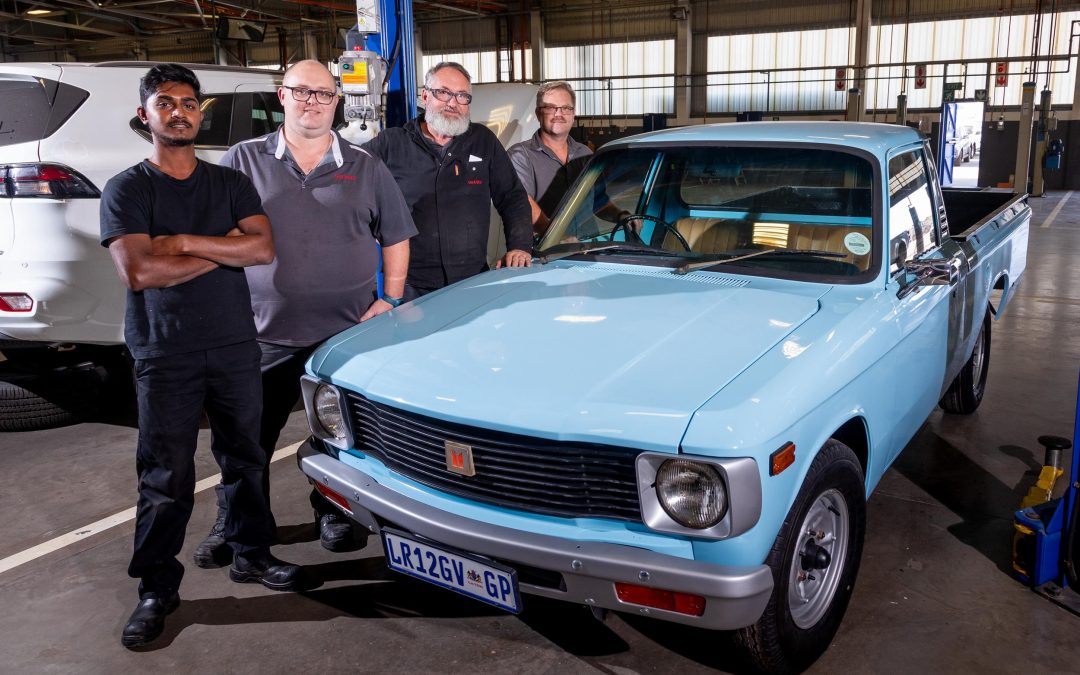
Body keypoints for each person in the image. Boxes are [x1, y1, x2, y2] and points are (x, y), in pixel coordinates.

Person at [100, 64, 303, 649]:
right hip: (166, 351)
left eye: (189, 103)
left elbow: (262, 248)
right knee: (166, 475)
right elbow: (139, 270)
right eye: (166, 103)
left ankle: (252, 553)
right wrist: (226, 250)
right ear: (146, 115)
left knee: (246, 457)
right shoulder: (129, 188)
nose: (180, 112)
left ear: (200, 112)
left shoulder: (229, 184)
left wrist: (185, 242)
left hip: (238, 344)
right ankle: (157, 588)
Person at [192, 60, 416, 559]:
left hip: (343, 336)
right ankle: (238, 523)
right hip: (261, 333)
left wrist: (391, 298)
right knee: (244, 441)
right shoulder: (242, 160)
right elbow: (212, 236)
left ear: (336, 102)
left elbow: (396, 236)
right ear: (282, 97)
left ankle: (333, 513)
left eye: (323, 94)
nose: (312, 102)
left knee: (340, 438)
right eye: (302, 92)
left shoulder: (365, 165)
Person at [363, 61, 533, 301]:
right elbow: (352, 186)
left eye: (462, 96)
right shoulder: (391, 144)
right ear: (425, 95)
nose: (453, 103)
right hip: (409, 287)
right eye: (443, 93)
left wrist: (519, 245)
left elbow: (512, 197)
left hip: (473, 279)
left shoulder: (483, 141)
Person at [507, 81, 593, 239]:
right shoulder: (520, 155)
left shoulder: (585, 153)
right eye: (550, 107)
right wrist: (556, 237)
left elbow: (599, 198)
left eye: (566, 108)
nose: (559, 114)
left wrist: (621, 214)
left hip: (587, 247)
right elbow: (522, 203)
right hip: (545, 254)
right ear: (538, 113)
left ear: (573, 114)